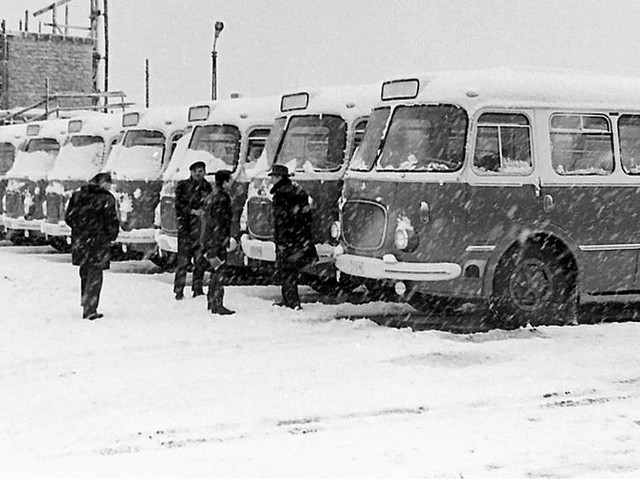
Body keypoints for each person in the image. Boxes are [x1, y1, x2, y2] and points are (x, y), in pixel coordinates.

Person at [64, 172, 120, 320]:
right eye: (109, 183)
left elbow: (68, 217)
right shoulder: (106, 198)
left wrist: (80, 229)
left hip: (81, 240)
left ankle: (85, 301)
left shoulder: (78, 195)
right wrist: (110, 235)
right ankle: (91, 308)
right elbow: (111, 221)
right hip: (98, 241)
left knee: (85, 271)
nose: (110, 186)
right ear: (103, 183)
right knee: (95, 273)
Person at [269, 164, 318, 310]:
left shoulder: (280, 195)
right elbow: (305, 215)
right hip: (299, 237)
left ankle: (291, 301)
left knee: (286, 271)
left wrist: (281, 241)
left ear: (279, 177)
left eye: (273, 176)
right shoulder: (297, 191)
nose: (271, 179)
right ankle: (290, 299)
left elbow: (281, 221)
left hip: (287, 238)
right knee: (290, 270)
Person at [173, 160, 212, 300]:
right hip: (186, 228)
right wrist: (192, 211)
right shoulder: (183, 186)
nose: (197, 173)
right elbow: (178, 206)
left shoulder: (207, 187)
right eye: (195, 171)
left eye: (200, 170)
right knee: (183, 261)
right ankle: (179, 290)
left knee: (199, 261)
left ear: (205, 172)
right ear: (190, 172)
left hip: (201, 229)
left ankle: (198, 288)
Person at [201, 169, 235, 315]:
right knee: (219, 271)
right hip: (216, 241)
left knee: (215, 270)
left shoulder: (212, 196)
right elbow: (220, 222)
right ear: (225, 181)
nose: (232, 183)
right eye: (230, 180)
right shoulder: (222, 198)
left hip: (210, 239)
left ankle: (212, 301)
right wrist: (221, 240)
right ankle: (217, 303)